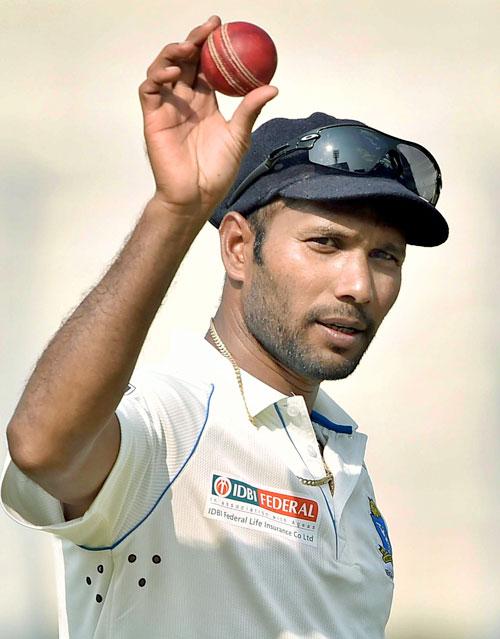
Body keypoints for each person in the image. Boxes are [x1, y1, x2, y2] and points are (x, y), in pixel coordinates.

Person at [1, 15, 448, 639]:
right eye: (326, 243)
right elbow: (43, 446)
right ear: (238, 248)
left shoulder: (344, 457)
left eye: (385, 257)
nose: (359, 285)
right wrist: (177, 209)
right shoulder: (170, 419)